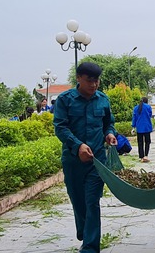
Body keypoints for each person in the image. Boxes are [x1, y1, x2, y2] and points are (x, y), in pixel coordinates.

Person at [53, 62, 117, 253]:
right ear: (79, 78)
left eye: (96, 81)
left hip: (97, 162)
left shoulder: (103, 100)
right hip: (73, 161)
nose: (94, 85)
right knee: (78, 200)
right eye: (90, 80)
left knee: (91, 201)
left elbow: (109, 123)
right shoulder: (65, 100)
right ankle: (85, 231)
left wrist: (110, 134)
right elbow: (60, 127)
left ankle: (90, 247)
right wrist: (78, 145)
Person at [132, 97, 153, 162]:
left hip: (139, 127)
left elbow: (134, 118)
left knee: (140, 143)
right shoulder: (148, 107)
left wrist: (133, 127)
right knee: (147, 142)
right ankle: (146, 155)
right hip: (147, 127)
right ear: (146, 101)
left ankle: (141, 156)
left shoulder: (135, 108)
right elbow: (150, 115)